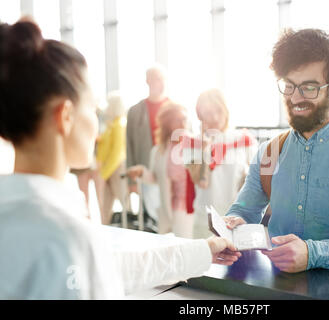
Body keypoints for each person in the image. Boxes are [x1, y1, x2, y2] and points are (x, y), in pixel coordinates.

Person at [0, 19, 240, 299]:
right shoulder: (64, 237)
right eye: (92, 108)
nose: (96, 122)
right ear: (65, 117)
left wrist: (203, 251)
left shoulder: (31, 220)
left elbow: (110, 267)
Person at [224, 28, 329, 273]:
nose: (295, 97)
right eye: (289, 85)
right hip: (275, 288)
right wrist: (236, 223)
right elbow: (245, 210)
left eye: (309, 87)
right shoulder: (269, 152)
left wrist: (313, 253)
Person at [186, 89, 258, 239]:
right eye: (208, 112)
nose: (215, 117)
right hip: (205, 222)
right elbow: (201, 182)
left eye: (218, 110)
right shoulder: (193, 144)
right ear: (200, 115)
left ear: (225, 110)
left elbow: (255, 183)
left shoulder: (244, 140)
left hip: (236, 220)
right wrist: (206, 149)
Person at [127, 102, 195, 238]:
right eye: (178, 120)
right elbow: (155, 178)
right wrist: (142, 172)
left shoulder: (194, 145)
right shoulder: (158, 151)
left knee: (186, 246)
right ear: (168, 123)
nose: (183, 124)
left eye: (185, 119)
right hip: (168, 208)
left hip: (189, 208)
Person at [126, 64, 169, 225]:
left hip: (170, 174)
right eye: (157, 79)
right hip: (145, 171)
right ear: (148, 81)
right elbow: (129, 147)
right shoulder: (135, 111)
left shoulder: (174, 109)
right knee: (151, 219)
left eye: (163, 79)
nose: (161, 83)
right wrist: (131, 183)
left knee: (169, 218)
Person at [96, 91, 127, 225]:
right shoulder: (112, 124)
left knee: (125, 205)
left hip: (116, 170)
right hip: (108, 170)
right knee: (105, 208)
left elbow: (117, 153)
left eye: (108, 104)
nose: (106, 107)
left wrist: (103, 173)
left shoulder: (119, 124)